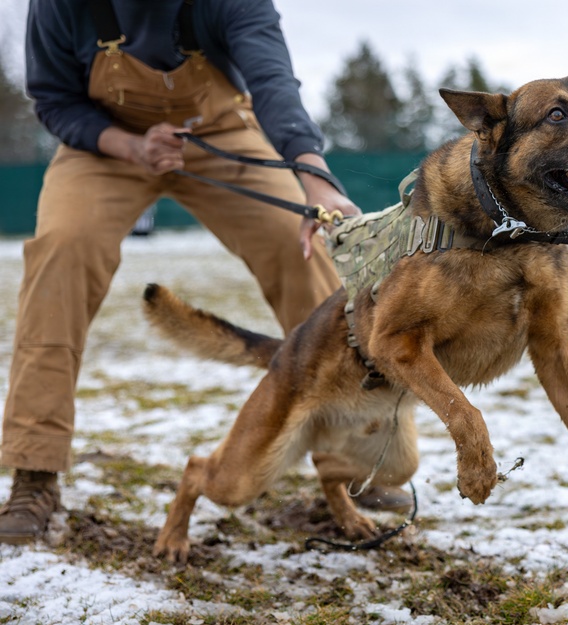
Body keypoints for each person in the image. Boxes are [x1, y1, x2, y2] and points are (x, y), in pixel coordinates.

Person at [0, 0, 413, 544]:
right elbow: (54, 99)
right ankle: (35, 469)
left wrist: (314, 176)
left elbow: (271, 81)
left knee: (303, 246)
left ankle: (354, 451)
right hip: (103, 146)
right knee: (61, 251)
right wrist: (130, 145)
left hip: (218, 133)